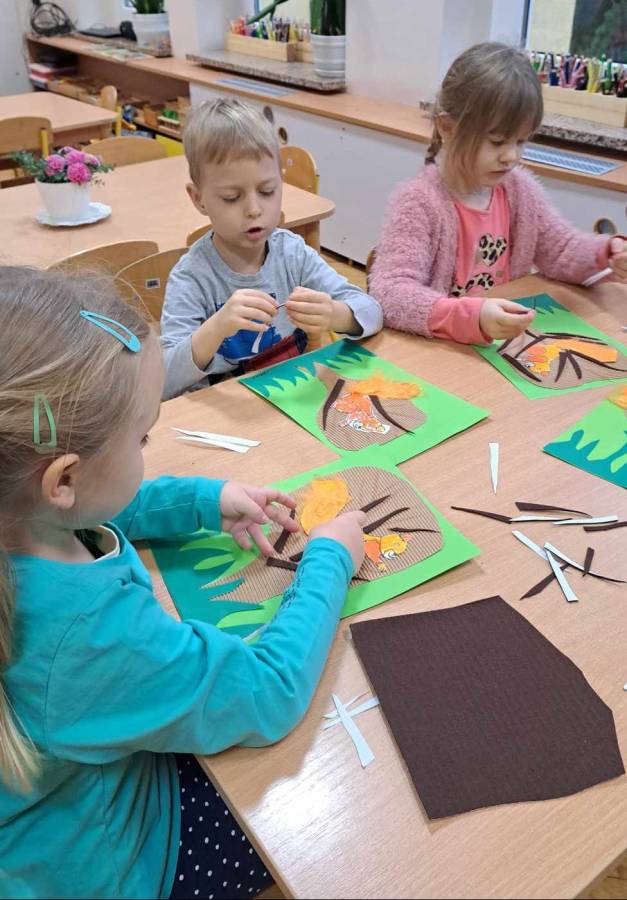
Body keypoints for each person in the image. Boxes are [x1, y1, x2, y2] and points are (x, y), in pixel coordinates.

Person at [0, 265, 366, 899]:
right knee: (325, 815)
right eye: (142, 437)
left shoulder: (22, 514)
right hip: (113, 862)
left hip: (55, 812)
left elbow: (87, 505)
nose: (147, 449)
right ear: (63, 479)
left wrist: (203, 499)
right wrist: (329, 559)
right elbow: (270, 693)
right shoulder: (88, 635)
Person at [371, 42, 627, 345]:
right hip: (443, 349)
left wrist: (606, 252)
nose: (511, 156)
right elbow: (390, 292)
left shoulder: (519, 191)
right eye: (497, 142)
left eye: (521, 141)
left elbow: (561, 250)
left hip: (499, 346)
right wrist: (471, 316)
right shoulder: (419, 202)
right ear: (447, 128)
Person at [160, 97, 383, 400]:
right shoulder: (191, 277)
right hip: (228, 413)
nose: (254, 209)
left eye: (267, 191)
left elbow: (372, 312)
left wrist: (335, 314)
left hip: (292, 398)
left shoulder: (292, 254)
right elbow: (164, 380)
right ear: (199, 199)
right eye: (231, 197)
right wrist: (216, 328)